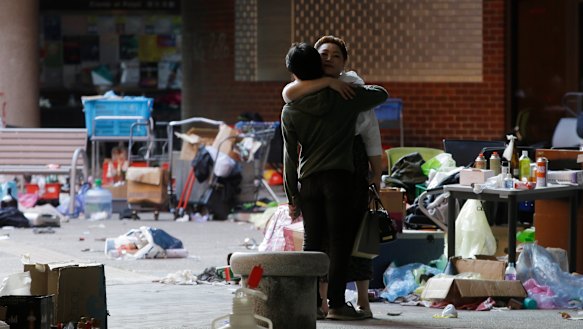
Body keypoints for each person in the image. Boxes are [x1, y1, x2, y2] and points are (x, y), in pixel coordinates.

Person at [281, 42, 388, 321]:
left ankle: (313, 304)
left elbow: (289, 158)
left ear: (293, 72)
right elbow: (380, 94)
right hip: (339, 179)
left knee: (312, 242)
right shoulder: (344, 97)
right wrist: (339, 82)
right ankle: (337, 304)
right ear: (318, 65)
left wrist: (292, 196)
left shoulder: (290, 109)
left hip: (308, 182)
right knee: (340, 242)